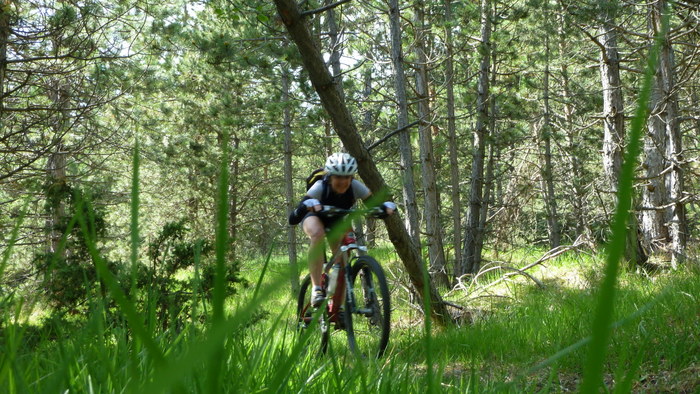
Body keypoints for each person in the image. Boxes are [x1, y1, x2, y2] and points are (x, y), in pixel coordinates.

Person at [289, 153, 396, 307]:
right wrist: (305, 206)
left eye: (348, 177)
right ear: (330, 177)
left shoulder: (356, 187)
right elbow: (293, 219)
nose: (343, 181)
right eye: (339, 177)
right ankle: (317, 289)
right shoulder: (320, 187)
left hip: (336, 219)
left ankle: (337, 306)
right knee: (317, 234)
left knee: (343, 257)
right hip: (314, 216)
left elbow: (373, 206)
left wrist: (384, 209)